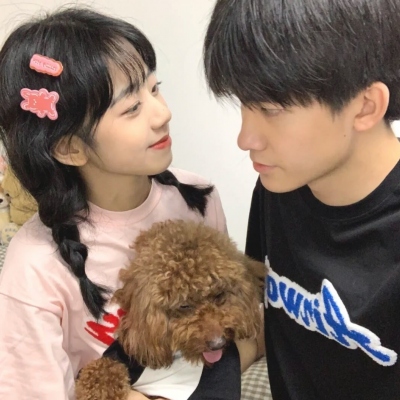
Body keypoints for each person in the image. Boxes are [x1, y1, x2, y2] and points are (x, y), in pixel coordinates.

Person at [0, 7, 259, 400]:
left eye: (154, 89)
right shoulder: (34, 268)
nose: (163, 113)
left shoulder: (198, 197)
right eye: (132, 108)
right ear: (69, 148)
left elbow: (229, 324)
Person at [203, 0, 400, 399]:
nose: (245, 138)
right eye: (243, 103)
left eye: (271, 109)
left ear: (365, 106)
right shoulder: (279, 187)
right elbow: (267, 323)